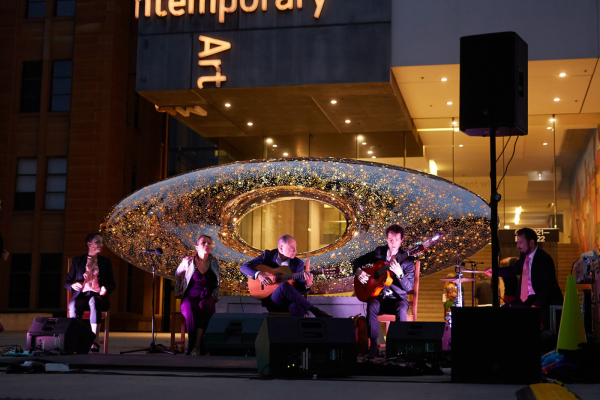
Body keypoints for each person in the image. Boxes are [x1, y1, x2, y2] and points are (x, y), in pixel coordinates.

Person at [353, 224, 415, 359]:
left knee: (401, 308)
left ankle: (399, 348)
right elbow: (357, 261)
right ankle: (373, 347)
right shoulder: (378, 253)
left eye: (397, 240)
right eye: (391, 239)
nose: (393, 243)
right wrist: (359, 272)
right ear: (386, 239)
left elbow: (409, 287)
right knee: (372, 305)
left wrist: (400, 274)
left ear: (402, 240)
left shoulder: (408, 260)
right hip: (380, 298)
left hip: (397, 299)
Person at [486, 227, 563, 328]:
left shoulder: (545, 259)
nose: (517, 246)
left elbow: (548, 287)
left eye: (520, 242)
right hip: (526, 299)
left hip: (544, 301)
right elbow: (514, 270)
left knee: (548, 330)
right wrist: (495, 271)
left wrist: (535, 306)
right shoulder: (523, 255)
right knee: (502, 312)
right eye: (517, 242)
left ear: (531, 242)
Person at [240, 234, 331, 319]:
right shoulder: (268, 256)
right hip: (273, 301)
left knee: (299, 308)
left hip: (290, 301)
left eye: (296, 248)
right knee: (284, 285)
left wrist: (307, 284)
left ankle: (293, 335)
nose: (295, 251)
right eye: (291, 248)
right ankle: (315, 311)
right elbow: (244, 267)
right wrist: (259, 274)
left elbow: (299, 289)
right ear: (281, 248)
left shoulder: (297, 263)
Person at [64, 233, 116, 352]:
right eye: (98, 242)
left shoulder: (106, 262)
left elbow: (113, 284)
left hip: (99, 297)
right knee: (74, 305)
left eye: (101, 242)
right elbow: (66, 282)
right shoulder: (78, 261)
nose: (101, 245)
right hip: (82, 295)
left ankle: (94, 341)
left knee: (94, 301)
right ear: (89, 244)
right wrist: (72, 285)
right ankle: (75, 340)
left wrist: (106, 290)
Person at [175, 235, 220, 356]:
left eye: (209, 243)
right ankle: (194, 346)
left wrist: (216, 294)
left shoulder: (214, 262)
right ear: (196, 247)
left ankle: (200, 346)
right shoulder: (188, 261)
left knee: (205, 305)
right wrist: (177, 290)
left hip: (206, 296)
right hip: (190, 297)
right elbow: (178, 273)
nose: (207, 245)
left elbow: (217, 281)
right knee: (191, 308)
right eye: (203, 243)